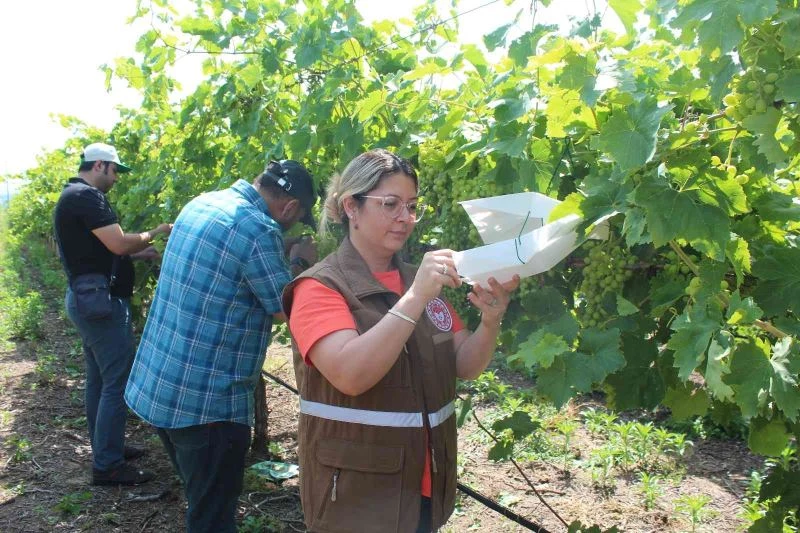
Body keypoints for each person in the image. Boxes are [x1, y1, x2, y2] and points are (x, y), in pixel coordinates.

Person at [283, 149, 520, 533]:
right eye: (390, 204)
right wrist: (415, 298)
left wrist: (490, 321)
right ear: (351, 208)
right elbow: (351, 374)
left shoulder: (419, 280)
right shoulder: (319, 287)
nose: (405, 218)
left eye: (411, 206)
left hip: (423, 485)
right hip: (356, 500)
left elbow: (464, 363)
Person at [124, 159, 318, 533]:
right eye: (295, 220)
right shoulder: (258, 230)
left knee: (202, 502)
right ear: (290, 208)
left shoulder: (203, 203)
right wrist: (298, 260)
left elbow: (231, 266)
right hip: (208, 408)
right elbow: (285, 306)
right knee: (212, 519)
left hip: (163, 389)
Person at [53, 142, 172, 486]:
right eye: (116, 170)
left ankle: (108, 447)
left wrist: (138, 256)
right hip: (99, 305)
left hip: (89, 300)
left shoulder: (72, 196)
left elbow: (96, 253)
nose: (117, 178)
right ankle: (107, 465)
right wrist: (157, 231)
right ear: (101, 165)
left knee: (100, 379)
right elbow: (118, 243)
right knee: (117, 381)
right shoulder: (85, 197)